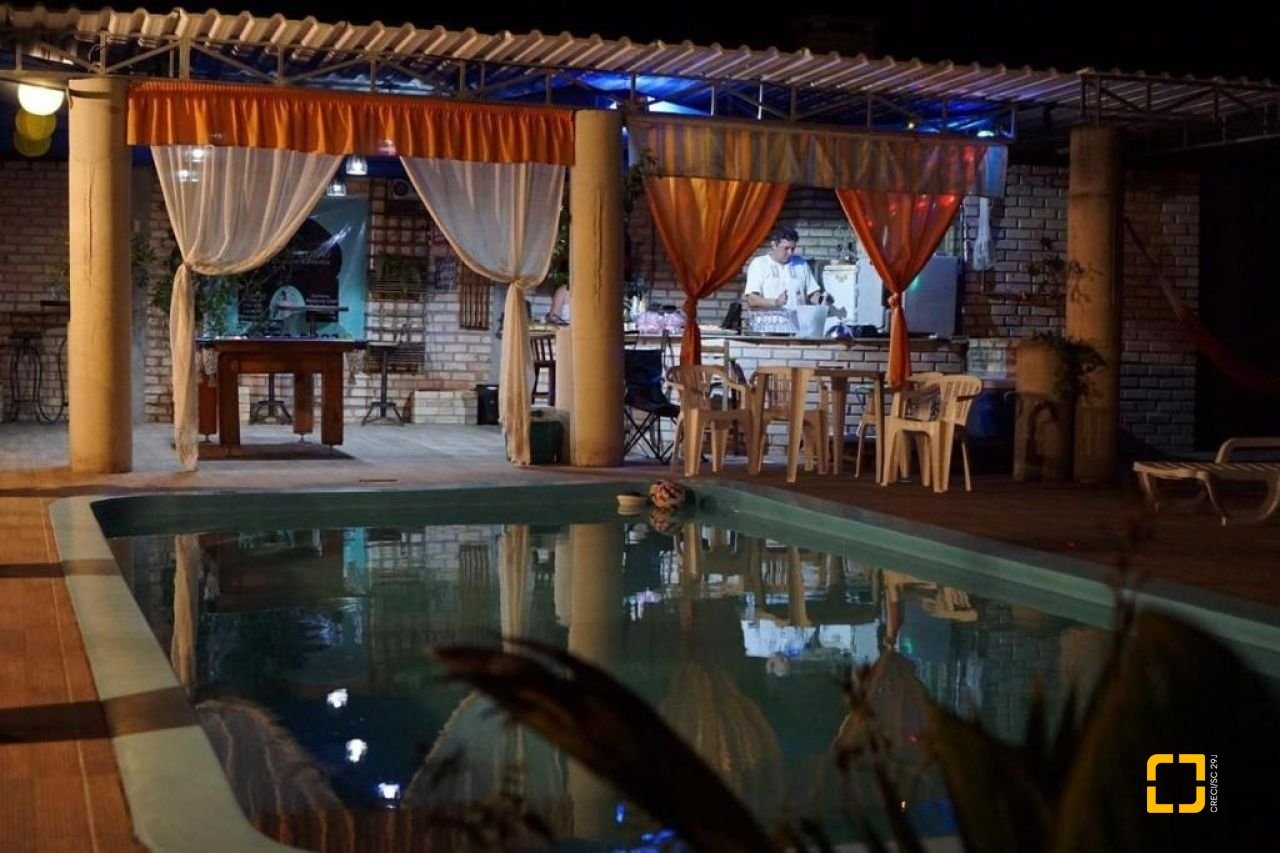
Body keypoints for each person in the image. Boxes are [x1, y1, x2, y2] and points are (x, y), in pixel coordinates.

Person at [744, 226, 829, 310]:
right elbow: (752, 299)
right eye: (786, 248)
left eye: (793, 249)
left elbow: (812, 293)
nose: (790, 253)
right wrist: (775, 302)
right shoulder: (759, 264)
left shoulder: (800, 263)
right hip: (770, 318)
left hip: (797, 318)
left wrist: (821, 300)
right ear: (774, 245)